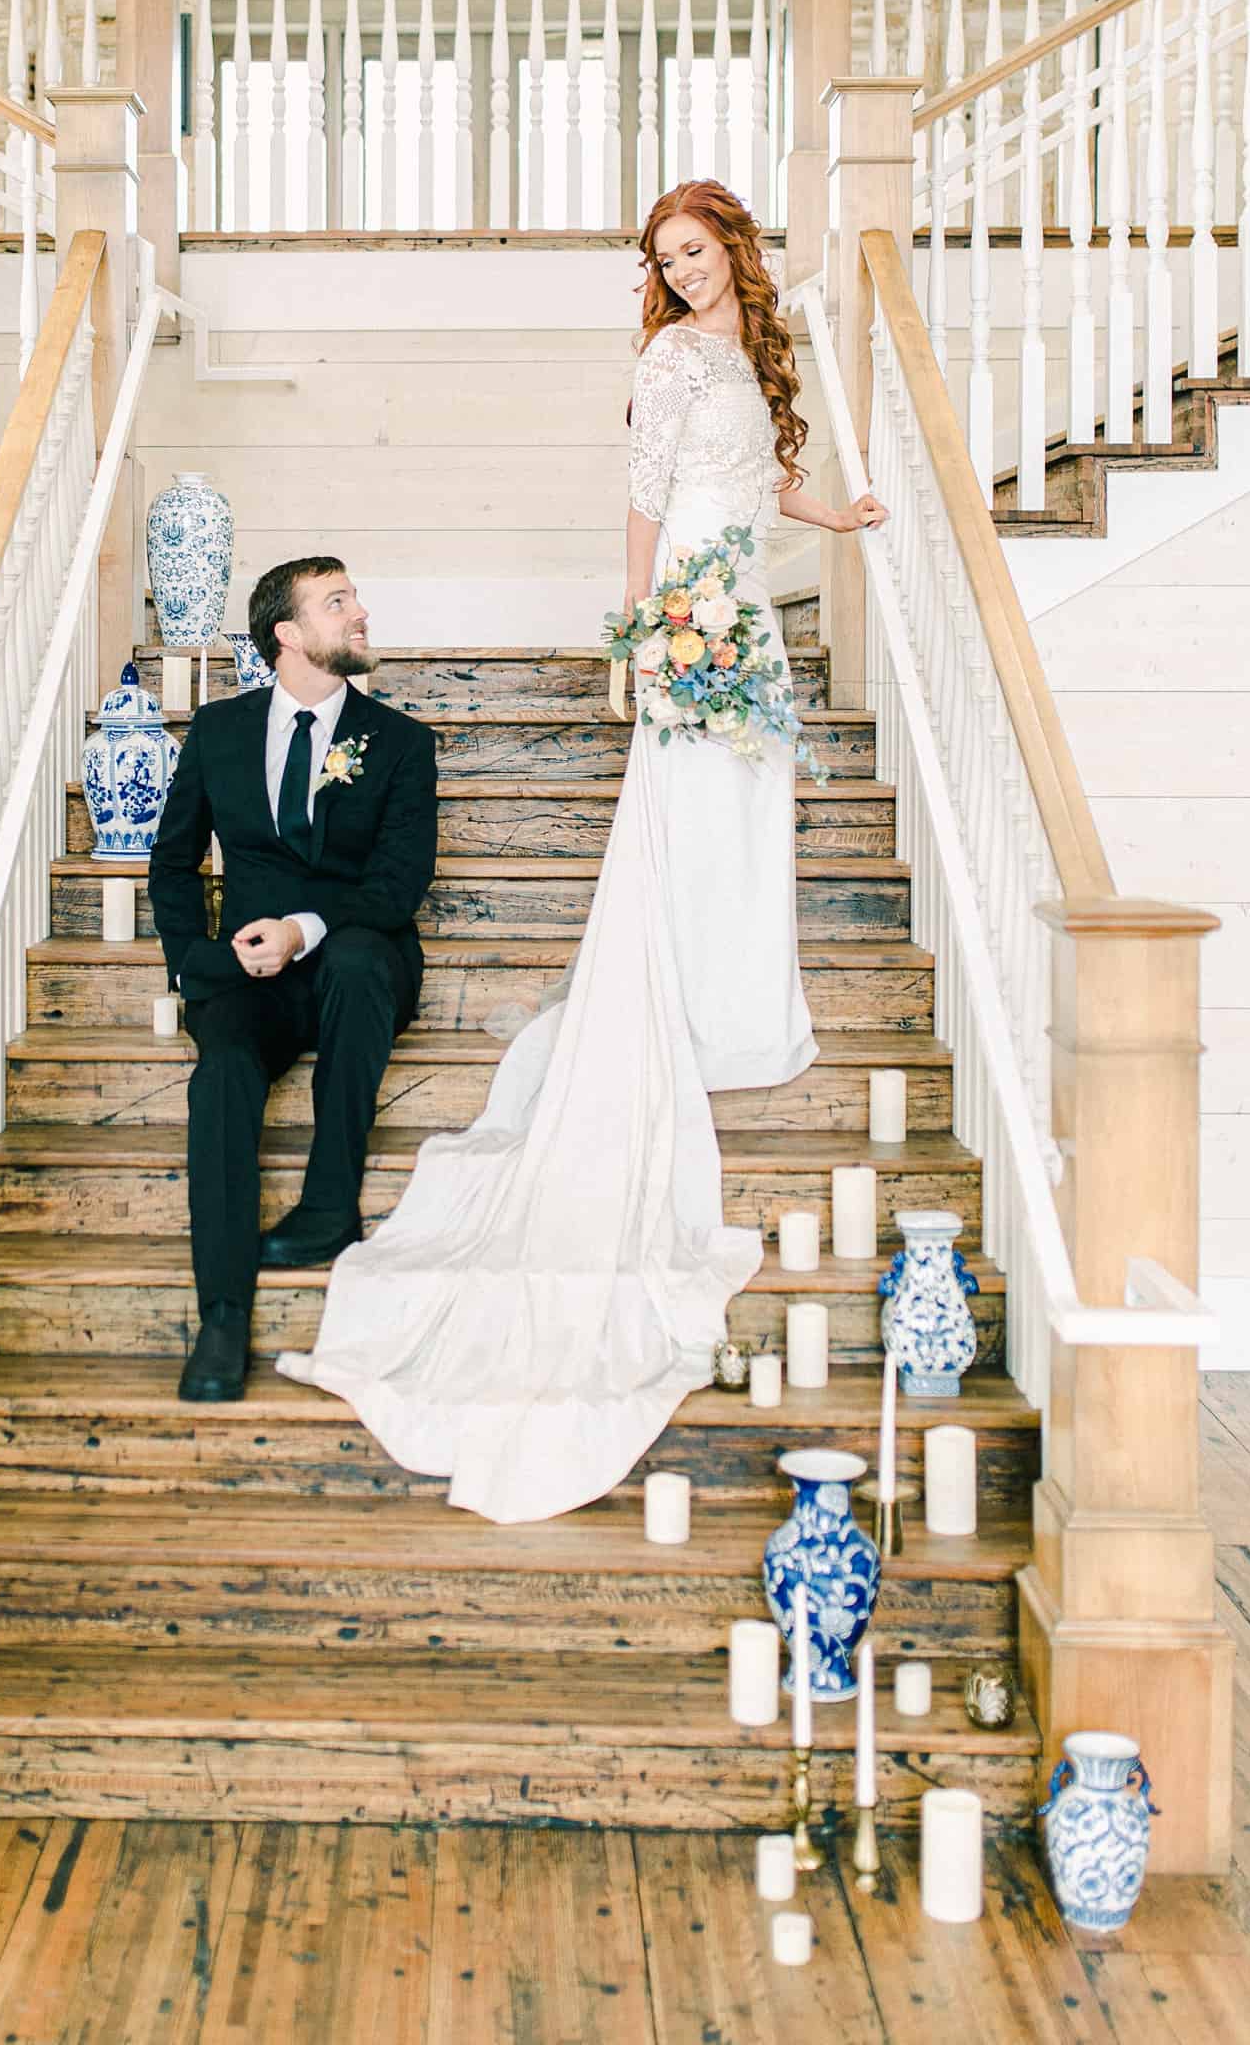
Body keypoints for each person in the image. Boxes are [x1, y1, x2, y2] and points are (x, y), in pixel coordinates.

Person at [279, 181, 886, 1522]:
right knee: (688, 808)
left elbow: (758, 481)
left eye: (695, 249)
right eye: (663, 260)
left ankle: (734, 996)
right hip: (690, 607)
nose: (681, 271)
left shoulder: (751, 349)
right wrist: (641, 636)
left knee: (750, 807)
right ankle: (684, 999)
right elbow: (649, 497)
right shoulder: (666, 359)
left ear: (731, 245)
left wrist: (832, 520)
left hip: (751, 606)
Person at [148, 556, 438, 1404]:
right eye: (338, 602)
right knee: (223, 1076)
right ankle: (223, 1316)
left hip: (361, 963)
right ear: (287, 633)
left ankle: (329, 1205)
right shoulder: (219, 730)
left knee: (350, 956)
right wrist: (205, 960)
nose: (360, 613)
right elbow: (172, 865)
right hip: (248, 973)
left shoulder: (399, 742)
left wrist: (305, 928)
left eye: (354, 597)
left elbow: (398, 883)